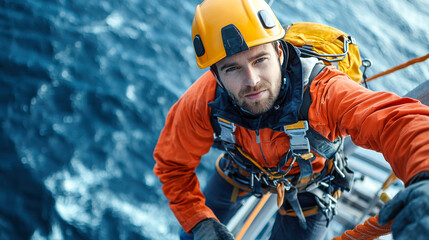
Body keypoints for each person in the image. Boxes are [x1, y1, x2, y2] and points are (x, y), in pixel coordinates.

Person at [153, 0, 429, 239]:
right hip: (243, 168)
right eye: (233, 68)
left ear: (280, 52)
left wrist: (425, 175)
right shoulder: (204, 101)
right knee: (192, 234)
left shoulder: (322, 92)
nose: (252, 81)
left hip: (310, 184)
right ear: (217, 76)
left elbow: (394, 121)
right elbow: (172, 166)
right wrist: (199, 220)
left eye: (260, 59)